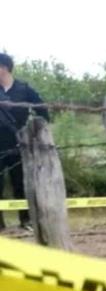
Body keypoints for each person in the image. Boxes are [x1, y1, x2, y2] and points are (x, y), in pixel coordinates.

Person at [0, 52, 48, 231]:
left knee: (21, 182)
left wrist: (39, 131)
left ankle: (25, 220)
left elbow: (42, 110)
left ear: (4, 68)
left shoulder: (24, 89)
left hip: (19, 143)